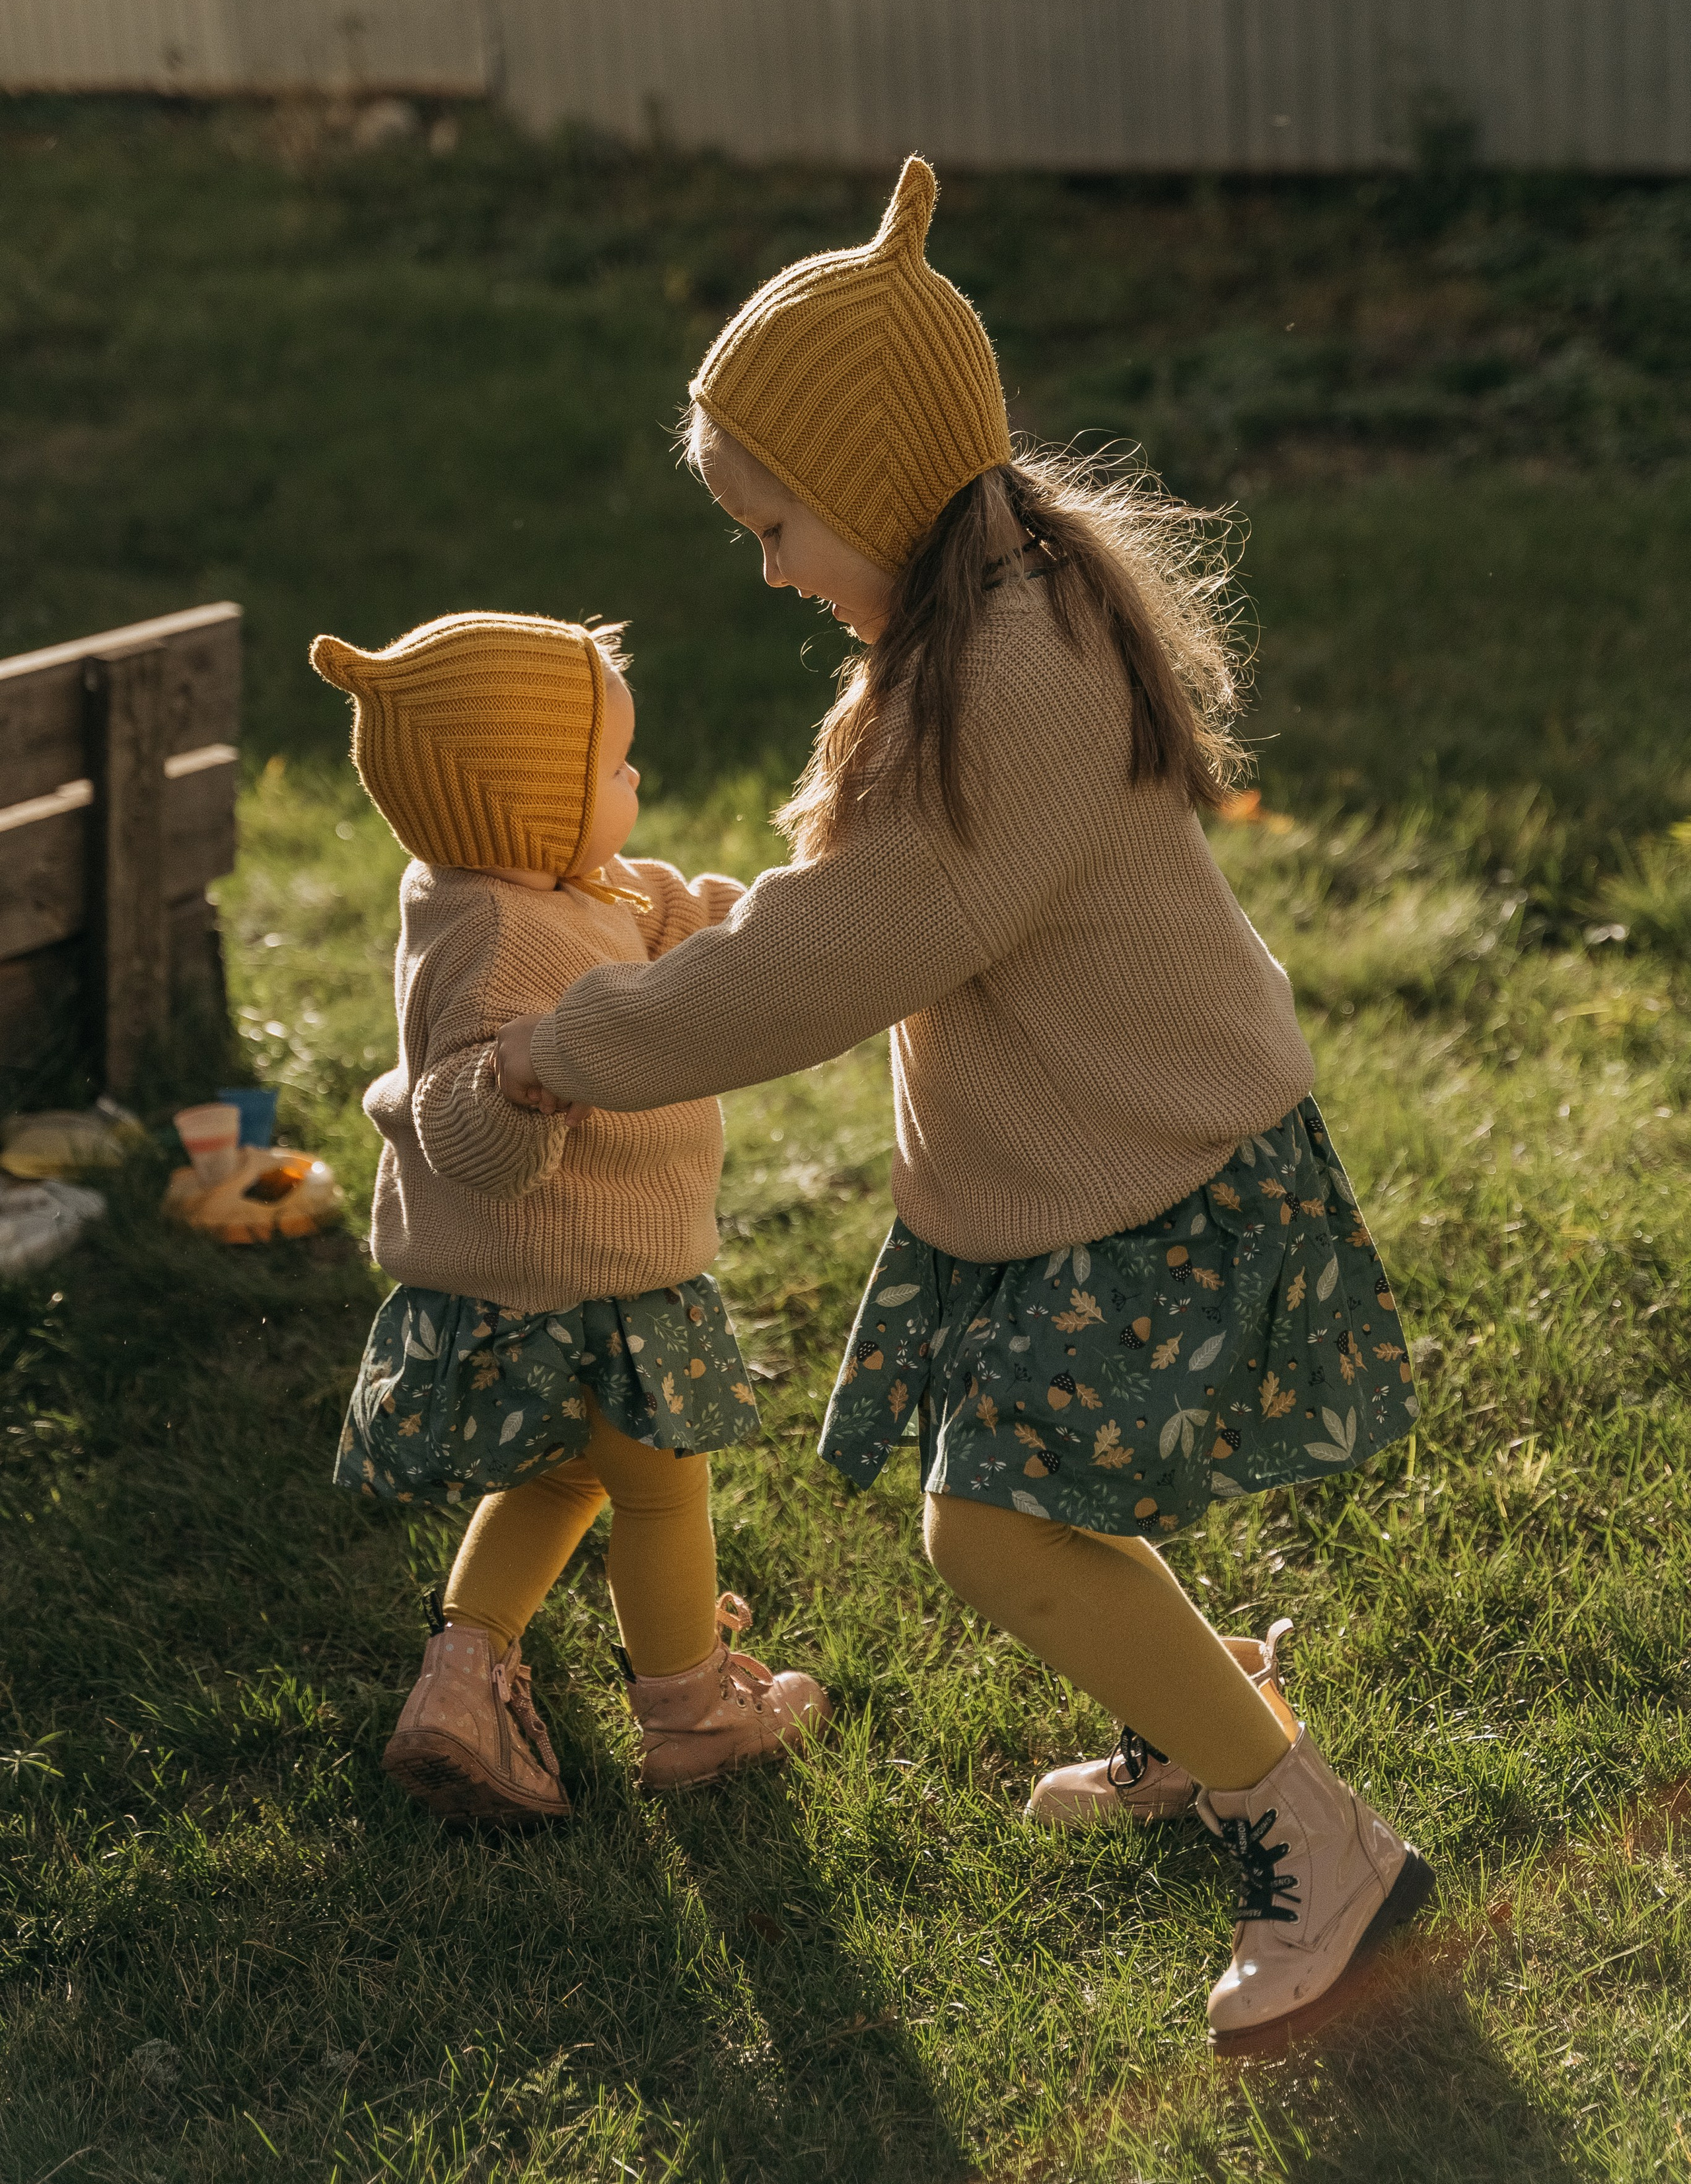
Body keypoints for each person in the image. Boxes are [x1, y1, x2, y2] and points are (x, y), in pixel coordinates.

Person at [494, 162, 1430, 2050]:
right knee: (1049, 1490)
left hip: (1156, 1175)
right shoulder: (968, 611)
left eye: (775, 521)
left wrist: (583, 1039)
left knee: (993, 1526)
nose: (762, 564)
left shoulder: (1017, 666)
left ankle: (1317, 1840)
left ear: (888, 489)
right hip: (1082, 1165)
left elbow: (877, 938)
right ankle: (1194, 1725)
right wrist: (722, 923)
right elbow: (870, 895)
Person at [312, 610, 827, 1829]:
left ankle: (459, 1677)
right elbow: (458, 1120)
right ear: (522, 804)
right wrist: (514, 1082)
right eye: (609, 767)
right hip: (587, 1282)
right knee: (658, 1487)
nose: (634, 780)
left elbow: (683, 924)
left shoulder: (565, 885)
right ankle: (692, 1715)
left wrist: (812, 898)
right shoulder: (497, 931)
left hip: (539, 1288)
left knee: (560, 1475)